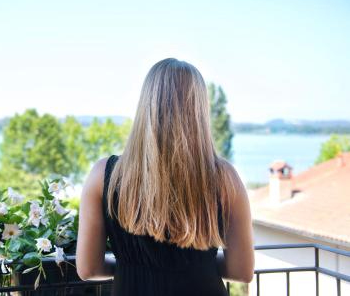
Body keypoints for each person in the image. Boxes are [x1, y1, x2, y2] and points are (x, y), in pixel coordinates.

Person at [76, 58, 254, 295]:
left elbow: (88, 269)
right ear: (199, 109)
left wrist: (131, 268)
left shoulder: (104, 176)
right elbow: (242, 271)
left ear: (146, 105)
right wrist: (200, 266)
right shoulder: (225, 179)